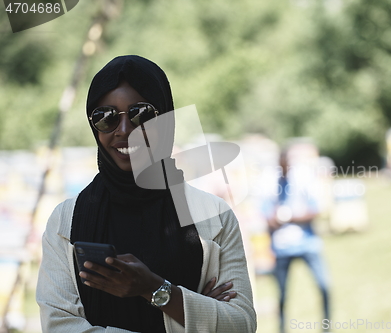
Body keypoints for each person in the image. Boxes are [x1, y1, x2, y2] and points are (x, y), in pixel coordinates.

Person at [36, 55, 256, 333]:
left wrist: (155, 289)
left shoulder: (214, 217)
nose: (125, 130)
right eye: (106, 117)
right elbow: (60, 326)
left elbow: (240, 324)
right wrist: (193, 311)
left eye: (142, 114)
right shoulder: (66, 221)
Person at [262, 149, 331, 333]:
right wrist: (276, 219)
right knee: (282, 294)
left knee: (324, 286)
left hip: (307, 243)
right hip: (282, 248)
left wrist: (290, 217)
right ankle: (283, 328)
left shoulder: (304, 180)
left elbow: (316, 210)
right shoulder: (270, 184)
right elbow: (265, 216)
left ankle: (327, 327)